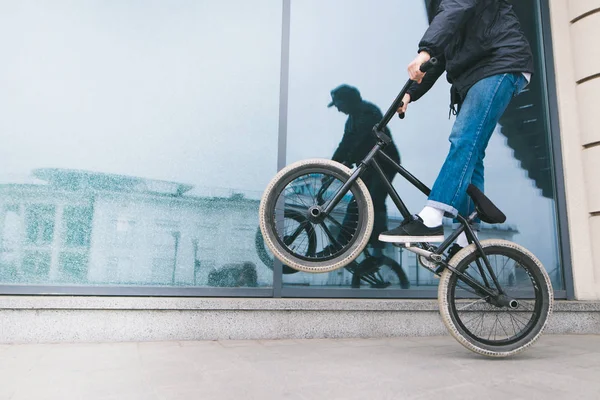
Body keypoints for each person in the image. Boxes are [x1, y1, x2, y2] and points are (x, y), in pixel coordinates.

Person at [378, 0, 533, 251]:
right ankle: (465, 238)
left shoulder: (452, 6)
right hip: (479, 71)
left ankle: (432, 217)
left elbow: (455, 7)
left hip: (499, 62)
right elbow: (440, 57)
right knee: (473, 152)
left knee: (464, 139)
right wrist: (410, 94)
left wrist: (424, 51)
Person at [327, 84, 401, 258]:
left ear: (348, 101)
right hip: (369, 164)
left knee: (374, 199)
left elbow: (363, 140)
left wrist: (348, 160)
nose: (337, 109)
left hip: (385, 163)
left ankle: (378, 248)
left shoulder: (369, 112)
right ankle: (343, 242)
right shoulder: (351, 119)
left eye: (338, 104)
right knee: (356, 202)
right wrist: (331, 167)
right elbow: (344, 144)